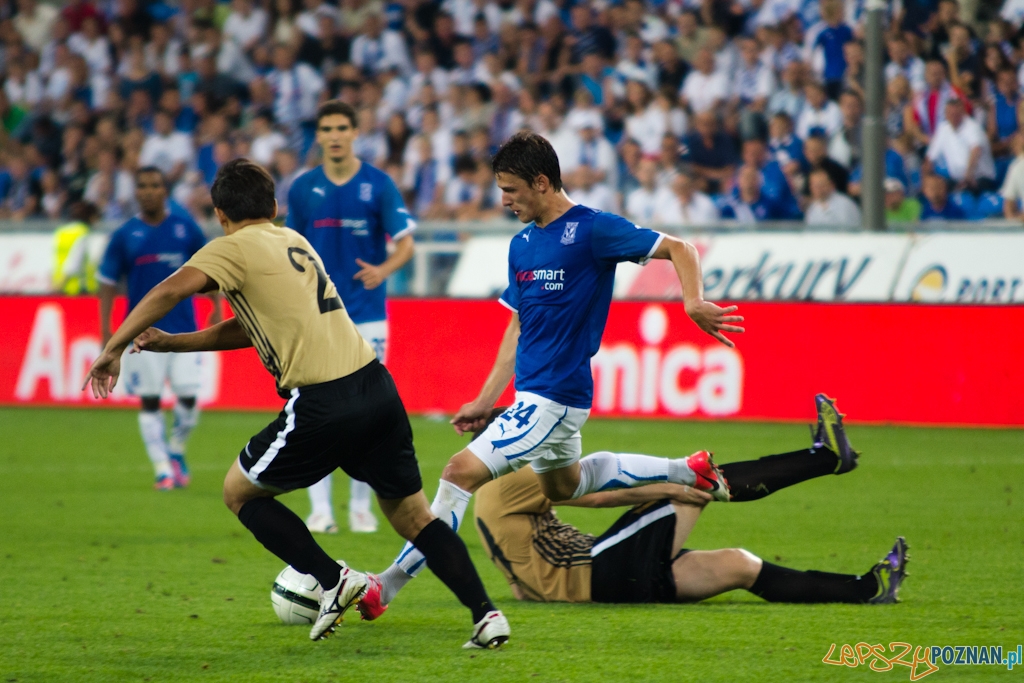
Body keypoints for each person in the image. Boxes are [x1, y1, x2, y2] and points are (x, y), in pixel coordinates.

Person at [82, 159, 509, 649]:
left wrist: (114, 345)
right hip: (377, 387)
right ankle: (486, 614)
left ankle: (334, 579)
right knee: (415, 517)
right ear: (275, 206)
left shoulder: (230, 248)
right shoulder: (295, 242)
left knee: (239, 493)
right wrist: (175, 342)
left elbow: (170, 288)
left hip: (323, 400)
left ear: (220, 214)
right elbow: (252, 324)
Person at [358, 131, 743, 619]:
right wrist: (484, 398)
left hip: (553, 397)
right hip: (539, 396)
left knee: (457, 474)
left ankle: (385, 587)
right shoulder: (521, 246)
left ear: (541, 182)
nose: (504, 200)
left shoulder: (594, 229)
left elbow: (681, 248)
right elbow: (517, 327)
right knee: (565, 486)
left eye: (512, 190)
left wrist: (692, 301)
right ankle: (686, 470)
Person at [473, 396, 908, 607]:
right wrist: (672, 486)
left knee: (739, 564)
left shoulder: (492, 493)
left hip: (604, 577)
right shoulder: (506, 476)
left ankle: (869, 589)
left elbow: (588, 501)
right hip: (598, 570)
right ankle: (826, 458)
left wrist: (532, 589)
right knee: (699, 483)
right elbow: (599, 490)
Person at [287, 100, 417, 535]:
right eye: (328, 128)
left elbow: (406, 244)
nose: (336, 134)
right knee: (318, 410)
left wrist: (383, 270)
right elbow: (290, 250)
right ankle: (321, 509)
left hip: (367, 316)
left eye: (343, 126)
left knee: (369, 411)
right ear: (319, 136)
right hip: (319, 316)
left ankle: (361, 507)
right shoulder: (303, 189)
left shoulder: (378, 185)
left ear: (355, 132)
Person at [96, 167, 216, 490]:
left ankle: (175, 450)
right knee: (150, 400)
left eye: (155, 185)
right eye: (143, 186)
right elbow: (107, 282)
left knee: (189, 397)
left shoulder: (185, 228)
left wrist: (217, 307)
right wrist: (107, 329)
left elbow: (211, 267)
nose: (149, 191)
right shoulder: (124, 235)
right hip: (142, 335)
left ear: (166, 190)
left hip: (184, 332)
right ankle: (163, 468)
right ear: (136, 192)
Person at [52, 200, 100, 295]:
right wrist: (60, 285)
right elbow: (74, 263)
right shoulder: (83, 233)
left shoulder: (61, 232)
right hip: (76, 289)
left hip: (60, 286)